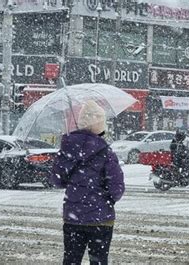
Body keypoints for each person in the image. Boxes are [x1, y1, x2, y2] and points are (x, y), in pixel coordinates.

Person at [50, 100, 125, 265]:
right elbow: (117, 188)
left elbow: (57, 180)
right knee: (98, 261)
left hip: (73, 217)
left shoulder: (67, 147)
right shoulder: (106, 152)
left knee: (71, 260)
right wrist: (107, 199)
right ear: (100, 123)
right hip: (100, 218)